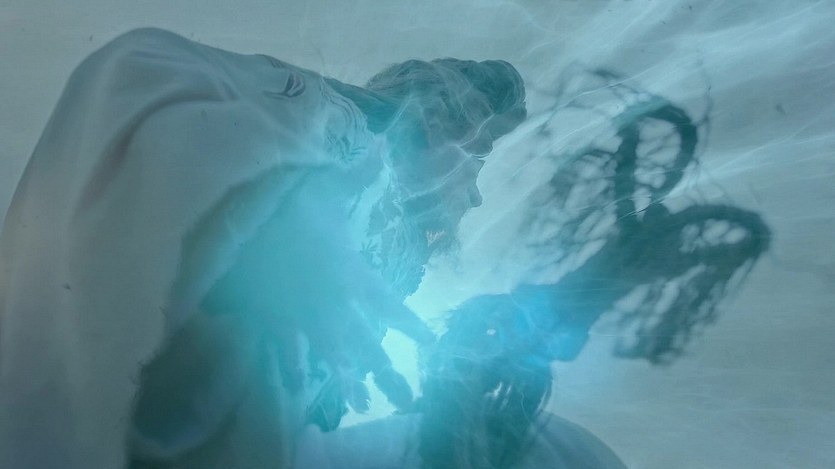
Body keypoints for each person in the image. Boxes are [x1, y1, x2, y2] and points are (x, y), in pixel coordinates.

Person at [0, 27, 530, 468]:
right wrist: (279, 202)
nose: (478, 195)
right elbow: (136, 68)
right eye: (480, 157)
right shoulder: (333, 129)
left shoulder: (387, 257)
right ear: (436, 120)